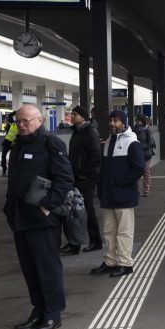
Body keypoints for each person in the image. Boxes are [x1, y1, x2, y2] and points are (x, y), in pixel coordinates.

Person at [4, 105, 75, 329]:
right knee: (30, 268)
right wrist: (9, 208)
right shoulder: (18, 145)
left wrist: (48, 204)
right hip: (20, 218)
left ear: (40, 120)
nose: (21, 125)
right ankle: (39, 309)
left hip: (43, 220)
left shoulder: (51, 144)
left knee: (47, 267)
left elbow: (65, 180)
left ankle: (53, 312)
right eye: (18, 121)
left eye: (26, 121)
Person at [92, 109, 144, 278]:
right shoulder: (109, 141)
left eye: (116, 120)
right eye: (110, 120)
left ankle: (125, 264)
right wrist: (102, 187)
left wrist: (120, 182)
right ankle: (110, 261)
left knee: (124, 232)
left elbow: (139, 168)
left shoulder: (132, 142)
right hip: (109, 195)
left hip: (124, 195)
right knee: (109, 231)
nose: (112, 124)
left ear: (124, 122)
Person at [62, 105, 103, 254]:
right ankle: (74, 243)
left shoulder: (90, 132)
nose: (71, 117)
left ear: (83, 117)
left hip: (86, 179)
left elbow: (95, 155)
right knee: (73, 210)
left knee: (87, 209)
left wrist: (85, 174)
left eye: (75, 114)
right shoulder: (76, 132)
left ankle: (95, 241)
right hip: (75, 177)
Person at [133, 115, 156, 197]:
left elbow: (151, 142)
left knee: (146, 172)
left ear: (142, 121)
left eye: (138, 120)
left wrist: (142, 146)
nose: (137, 122)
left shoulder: (147, 130)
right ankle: (137, 190)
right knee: (137, 172)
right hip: (137, 154)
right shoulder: (134, 130)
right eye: (136, 120)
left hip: (146, 154)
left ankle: (146, 189)